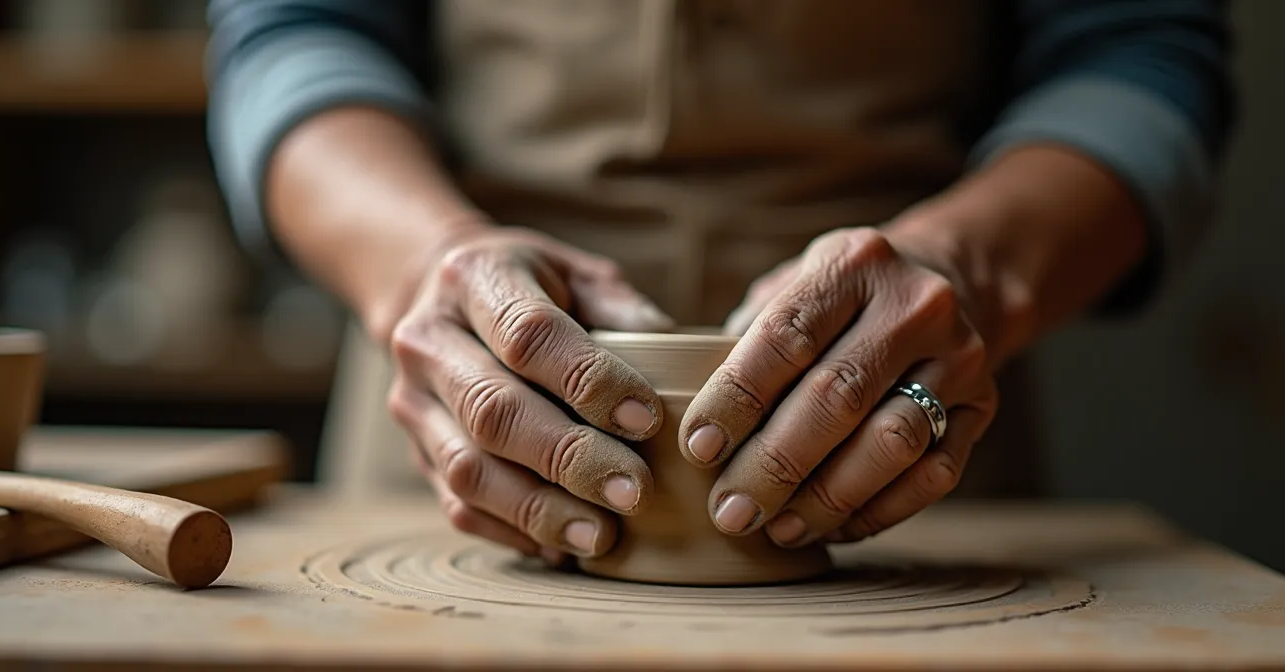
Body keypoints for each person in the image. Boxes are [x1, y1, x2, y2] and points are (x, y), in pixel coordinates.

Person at [205, 1, 1235, 565]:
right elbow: (293, 33)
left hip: (906, 442)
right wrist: (423, 262)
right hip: (467, 444)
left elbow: (1139, 49)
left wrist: (964, 264)